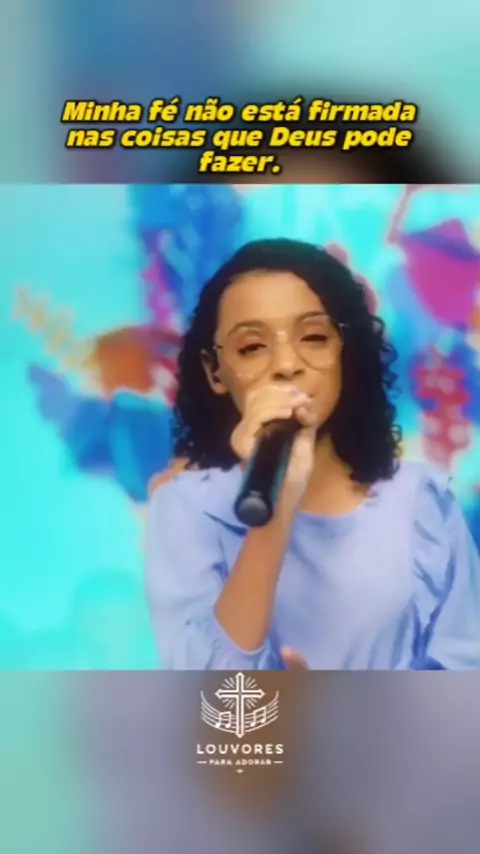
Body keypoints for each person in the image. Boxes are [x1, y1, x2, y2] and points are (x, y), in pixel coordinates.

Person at [145, 238, 480, 670]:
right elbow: (210, 693)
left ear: (344, 351)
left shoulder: (421, 502)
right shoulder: (185, 509)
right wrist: (276, 511)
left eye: (315, 337)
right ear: (215, 372)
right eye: (252, 347)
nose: (287, 365)